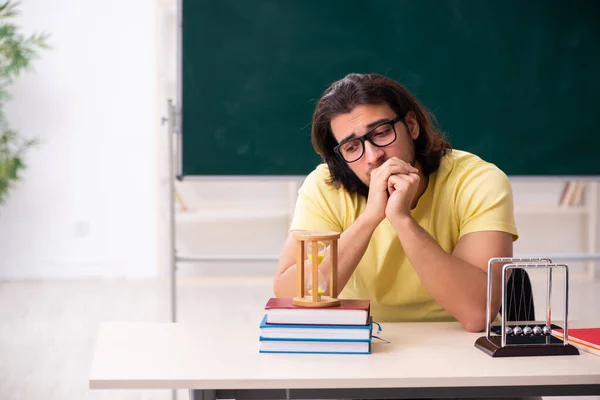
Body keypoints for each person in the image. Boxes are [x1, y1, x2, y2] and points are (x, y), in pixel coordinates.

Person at [273, 73, 519, 333]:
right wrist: (370, 218)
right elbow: (289, 299)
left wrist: (402, 220)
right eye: (352, 148)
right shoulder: (324, 186)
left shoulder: (478, 181)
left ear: (411, 126)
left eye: (381, 133)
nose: (373, 157)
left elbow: (476, 314)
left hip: (457, 341)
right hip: (364, 338)